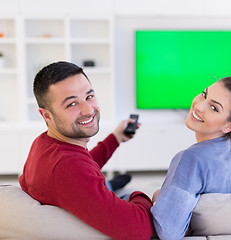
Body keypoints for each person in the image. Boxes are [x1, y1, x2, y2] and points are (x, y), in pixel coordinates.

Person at [19, 61, 153, 240]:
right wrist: (142, 196)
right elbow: (140, 230)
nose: (88, 110)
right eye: (72, 104)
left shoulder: (44, 143)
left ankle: (110, 185)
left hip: (76, 194)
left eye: (89, 96)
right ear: (46, 115)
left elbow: (85, 164)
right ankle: (112, 187)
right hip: (84, 198)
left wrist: (116, 138)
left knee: (107, 184)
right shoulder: (68, 168)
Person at [151, 76, 231, 240]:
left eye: (214, 108)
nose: (199, 105)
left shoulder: (190, 159)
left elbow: (167, 231)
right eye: (204, 94)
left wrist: (156, 196)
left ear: (230, 126)